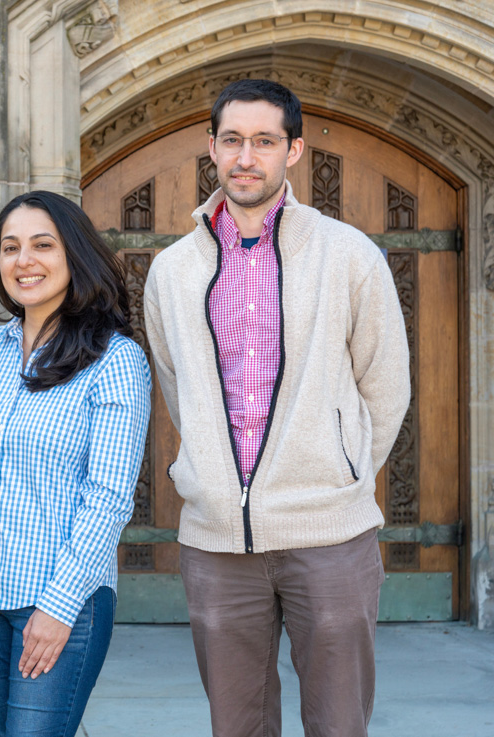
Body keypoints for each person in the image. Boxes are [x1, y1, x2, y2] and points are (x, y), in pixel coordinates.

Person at [143, 79, 410, 737]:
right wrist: (213, 476)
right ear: (211, 147)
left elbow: (386, 385)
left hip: (329, 535)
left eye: (264, 141)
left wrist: (340, 473)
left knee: (338, 724)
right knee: (236, 726)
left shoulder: (348, 255)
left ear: (292, 150)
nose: (245, 157)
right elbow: (180, 390)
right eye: (232, 140)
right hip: (216, 541)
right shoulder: (172, 271)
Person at [0, 190, 151, 737]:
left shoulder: (114, 358)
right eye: (10, 248)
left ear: (74, 254)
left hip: (60, 602)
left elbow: (109, 496)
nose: (23, 261)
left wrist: (58, 607)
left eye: (42, 245)